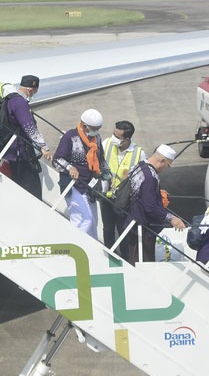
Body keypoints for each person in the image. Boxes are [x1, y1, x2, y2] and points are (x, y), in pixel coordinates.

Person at [123, 145, 185, 262]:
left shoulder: (140, 166)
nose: (167, 168)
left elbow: (140, 192)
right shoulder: (150, 177)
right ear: (162, 161)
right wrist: (171, 219)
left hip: (132, 221)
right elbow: (150, 207)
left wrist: (155, 192)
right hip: (142, 228)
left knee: (134, 257)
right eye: (168, 165)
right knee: (143, 262)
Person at [0, 74, 51, 199]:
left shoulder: (10, 99)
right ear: (31, 89)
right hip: (20, 154)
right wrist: (44, 147)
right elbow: (29, 127)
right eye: (35, 91)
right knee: (33, 191)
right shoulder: (20, 103)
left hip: (11, 152)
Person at [54, 109, 105, 237]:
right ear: (84, 125)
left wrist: (106, 174)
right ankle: (78, 247)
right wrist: (70, 168)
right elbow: (57, 160)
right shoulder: (70, 137)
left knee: (93, 221)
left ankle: (91, 248)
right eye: (94, 128)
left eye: (98, 128)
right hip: (74, 185)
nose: (96, 131)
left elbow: (101, 159)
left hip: (90, 186)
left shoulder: (96, 138)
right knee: (83, 219)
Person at [99, 120, 145, 248]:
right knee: (107, 229)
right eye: (113, 134)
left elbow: (142, 179)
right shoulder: (106, 144)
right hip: (106, 196)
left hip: (124, 200)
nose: (113, 138)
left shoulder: (139, 154)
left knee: (123, 230)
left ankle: (126, 258)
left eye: (117, 137)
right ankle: (109, 254)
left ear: (127, 139)